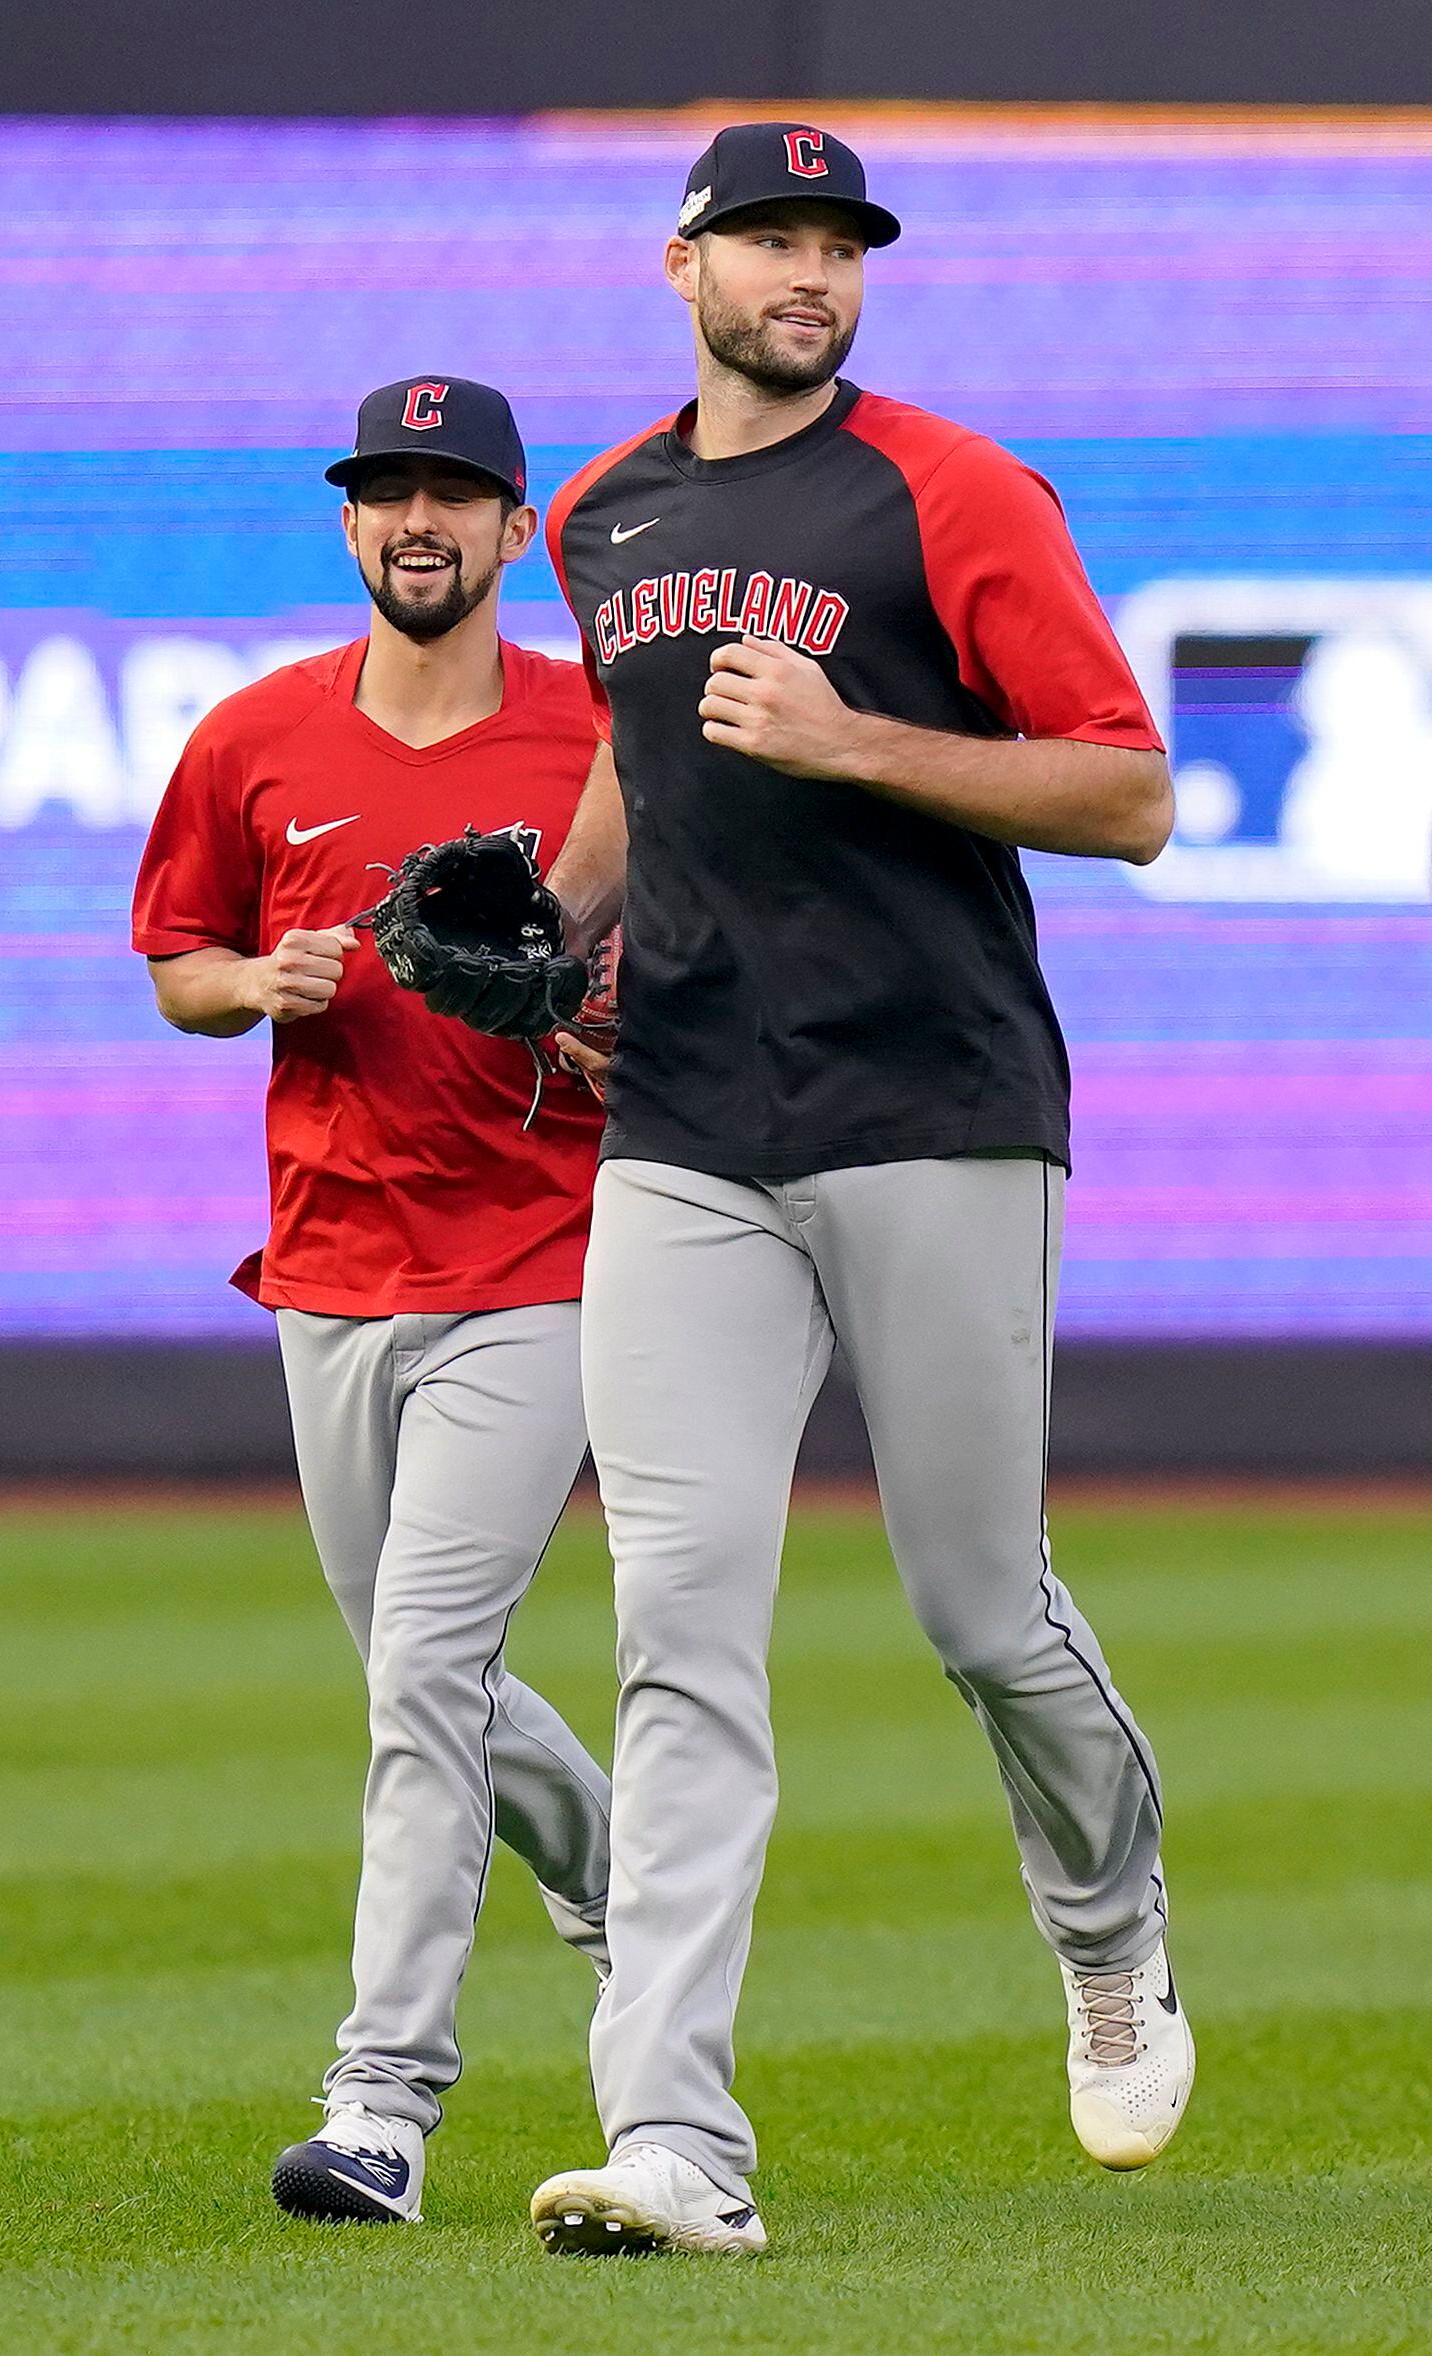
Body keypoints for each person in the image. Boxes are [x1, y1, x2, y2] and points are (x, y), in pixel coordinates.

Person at [518, 121, 1188, 2260]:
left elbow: (1130, 790)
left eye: (838, 242)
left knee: (977, 1605)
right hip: (687, 1124)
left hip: (934, 1101)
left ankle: (1104, 1925)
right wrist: (549, 933)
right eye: (769, 237)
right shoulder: (598, 510)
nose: (809, 272)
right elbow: (639, 751)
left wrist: (858, 741)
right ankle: (673, 2140)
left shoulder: (952, 492)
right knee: (676, 1634)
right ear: (680, 261)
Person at [130, 377, 616, 2225]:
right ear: (351, 529)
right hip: (328, 1263)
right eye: (386, 494)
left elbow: (690, 955)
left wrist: (596, 1007)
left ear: (513, 536)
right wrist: (265, 976)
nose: (419, 522)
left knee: (423, 1671)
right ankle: (629, 1877)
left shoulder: (597, 735)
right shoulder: (257, 737)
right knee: (431, 1673)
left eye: (456, 495)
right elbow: (175, 963)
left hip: (538, 1256)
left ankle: (381, 2108)